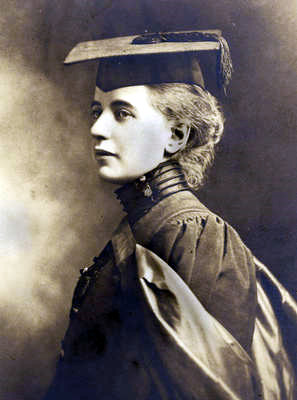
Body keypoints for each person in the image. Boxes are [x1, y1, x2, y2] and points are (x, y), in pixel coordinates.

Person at [44, 31, 296, 399]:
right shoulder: (144, 224)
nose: (97, 129)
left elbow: (216, 389)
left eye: (122, 113)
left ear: (175, 135)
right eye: (97, 112)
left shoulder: (195, 234)